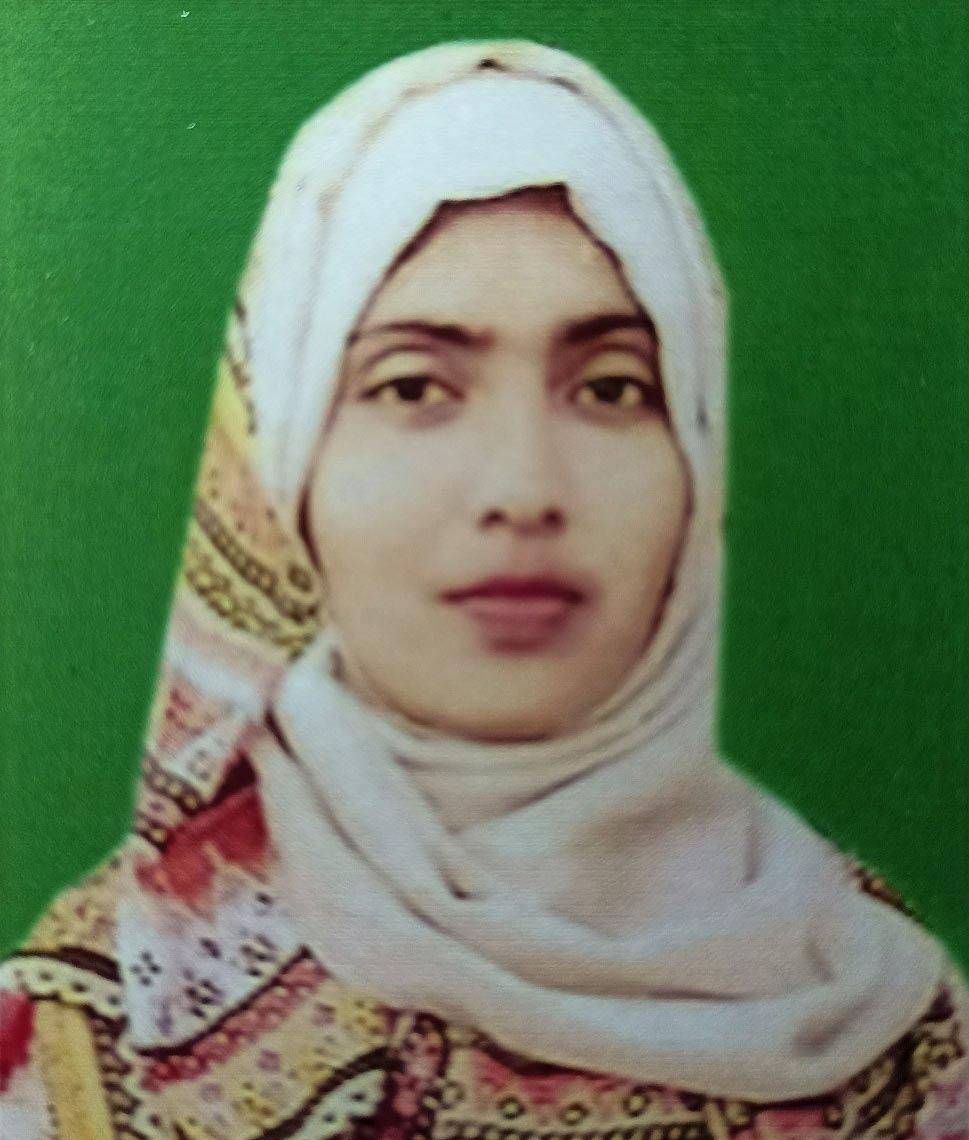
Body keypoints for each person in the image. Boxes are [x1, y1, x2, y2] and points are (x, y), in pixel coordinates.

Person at [1, 39, 965, 1140]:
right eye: (414, 385)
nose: (521, 489)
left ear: (699, 460)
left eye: (611, 388)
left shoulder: (889, 1020)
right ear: (286, 469)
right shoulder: (100, 1026)